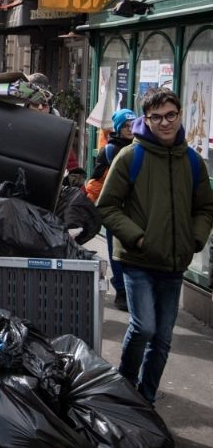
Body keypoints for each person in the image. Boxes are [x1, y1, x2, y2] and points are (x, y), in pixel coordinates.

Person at [97, 88, 213, 404]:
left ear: (179, 115)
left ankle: (144, 400)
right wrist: (138, 237)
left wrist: (194, 238)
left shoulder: (192, 160)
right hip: (137, 260)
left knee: (162, 339)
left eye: (170, 115)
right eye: (157, 117)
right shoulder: (130, 156)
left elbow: (205, 207)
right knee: (144, 327)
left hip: (174, 264)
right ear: (147, 120)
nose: (165, 122)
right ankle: (124, 388)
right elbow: (107, 206)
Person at [86, 108, 137, 311]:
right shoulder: (111, 150)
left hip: (133, 208)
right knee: (116, 251)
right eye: (125, 125)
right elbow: (96, 180)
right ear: (117, 128)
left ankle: (130, 290)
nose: (130, 129)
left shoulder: (138, 147)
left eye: (133, 124)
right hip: (115, 208)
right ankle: (122, 291)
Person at [26, 73, 80, 171]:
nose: (40, 108)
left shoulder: (59, 129)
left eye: (44, 104)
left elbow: (72, 166)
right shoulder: (19, 125)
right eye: (35, 103)